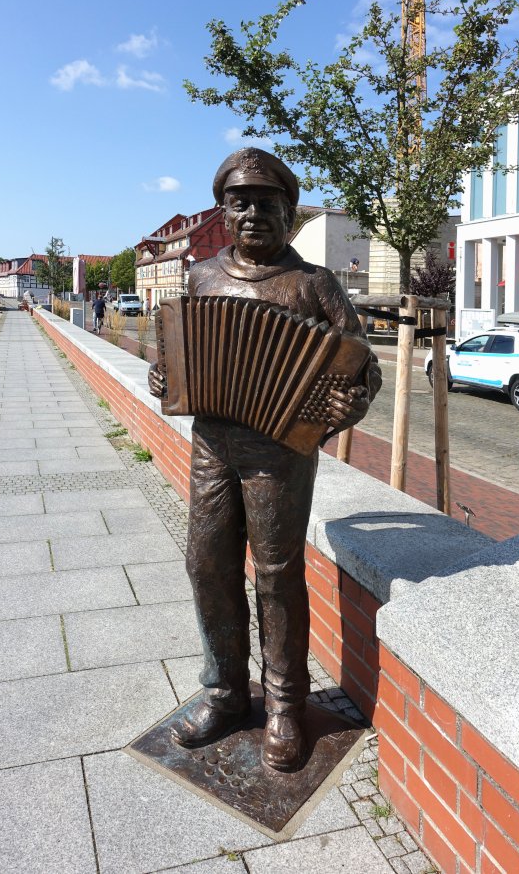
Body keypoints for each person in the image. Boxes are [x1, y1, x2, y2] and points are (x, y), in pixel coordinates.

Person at [149, 148, 381, 773]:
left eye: (266, 203)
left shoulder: (314, 284)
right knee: (206, 563)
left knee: (277, 572)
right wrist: (164, 371)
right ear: (224, 212)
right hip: (211, 441)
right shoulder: (201, 276)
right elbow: (174, 346)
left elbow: (363, 368)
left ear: (288, 212)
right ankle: (225, 692)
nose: (252, 213)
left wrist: (346, 403)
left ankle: (285, 705)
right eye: (240, 202)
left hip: (279, 450)